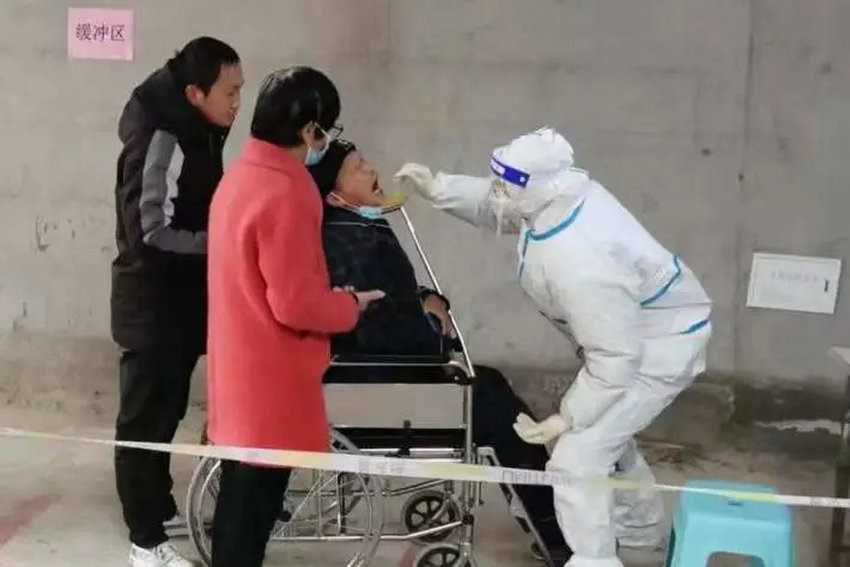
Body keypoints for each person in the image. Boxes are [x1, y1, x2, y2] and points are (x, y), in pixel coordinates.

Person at [395, 127, 712, 567]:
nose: (497, 192)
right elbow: (501, 204)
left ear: (539, 185)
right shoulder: (552, 197)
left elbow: (615, 357)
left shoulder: (581, 257)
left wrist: (568, 415)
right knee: (610, 439)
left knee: (577, 459)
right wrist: (441, 188)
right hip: (632, 335)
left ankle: (595, 560)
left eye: (506, 183)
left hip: (657, 347)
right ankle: (640, 534)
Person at [307, 139, 572, 564]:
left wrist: (430, 300)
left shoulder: (361, 227)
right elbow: (377, 329)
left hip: (389, 373)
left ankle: (548, 521)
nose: (372, 169)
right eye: (357, 168)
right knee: (495, 406)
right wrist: (433, 331)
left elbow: (396, 296)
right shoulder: (346, 241)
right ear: (334, 195)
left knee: (491, 385)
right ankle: (557, 532)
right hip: (380, 384)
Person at [206, 67, 383, 567]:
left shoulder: (239, 177)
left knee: (238, 507)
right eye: (328, 130)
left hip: (236, 365)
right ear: (309, 130)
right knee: (251, 515)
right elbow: (294, 303)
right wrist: (349, 306)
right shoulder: (289, 190)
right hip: (271, 378)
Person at [110, 36, 243, 567]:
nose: (237, 104)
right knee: (144, 422)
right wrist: (222, 243)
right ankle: (144, 542)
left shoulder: (198, 130)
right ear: (194, 93)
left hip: (181, 301)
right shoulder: (163, 138)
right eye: (229, 93)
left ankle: (156, 508)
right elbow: (150, 232)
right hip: (152, 302)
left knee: (166, 413)